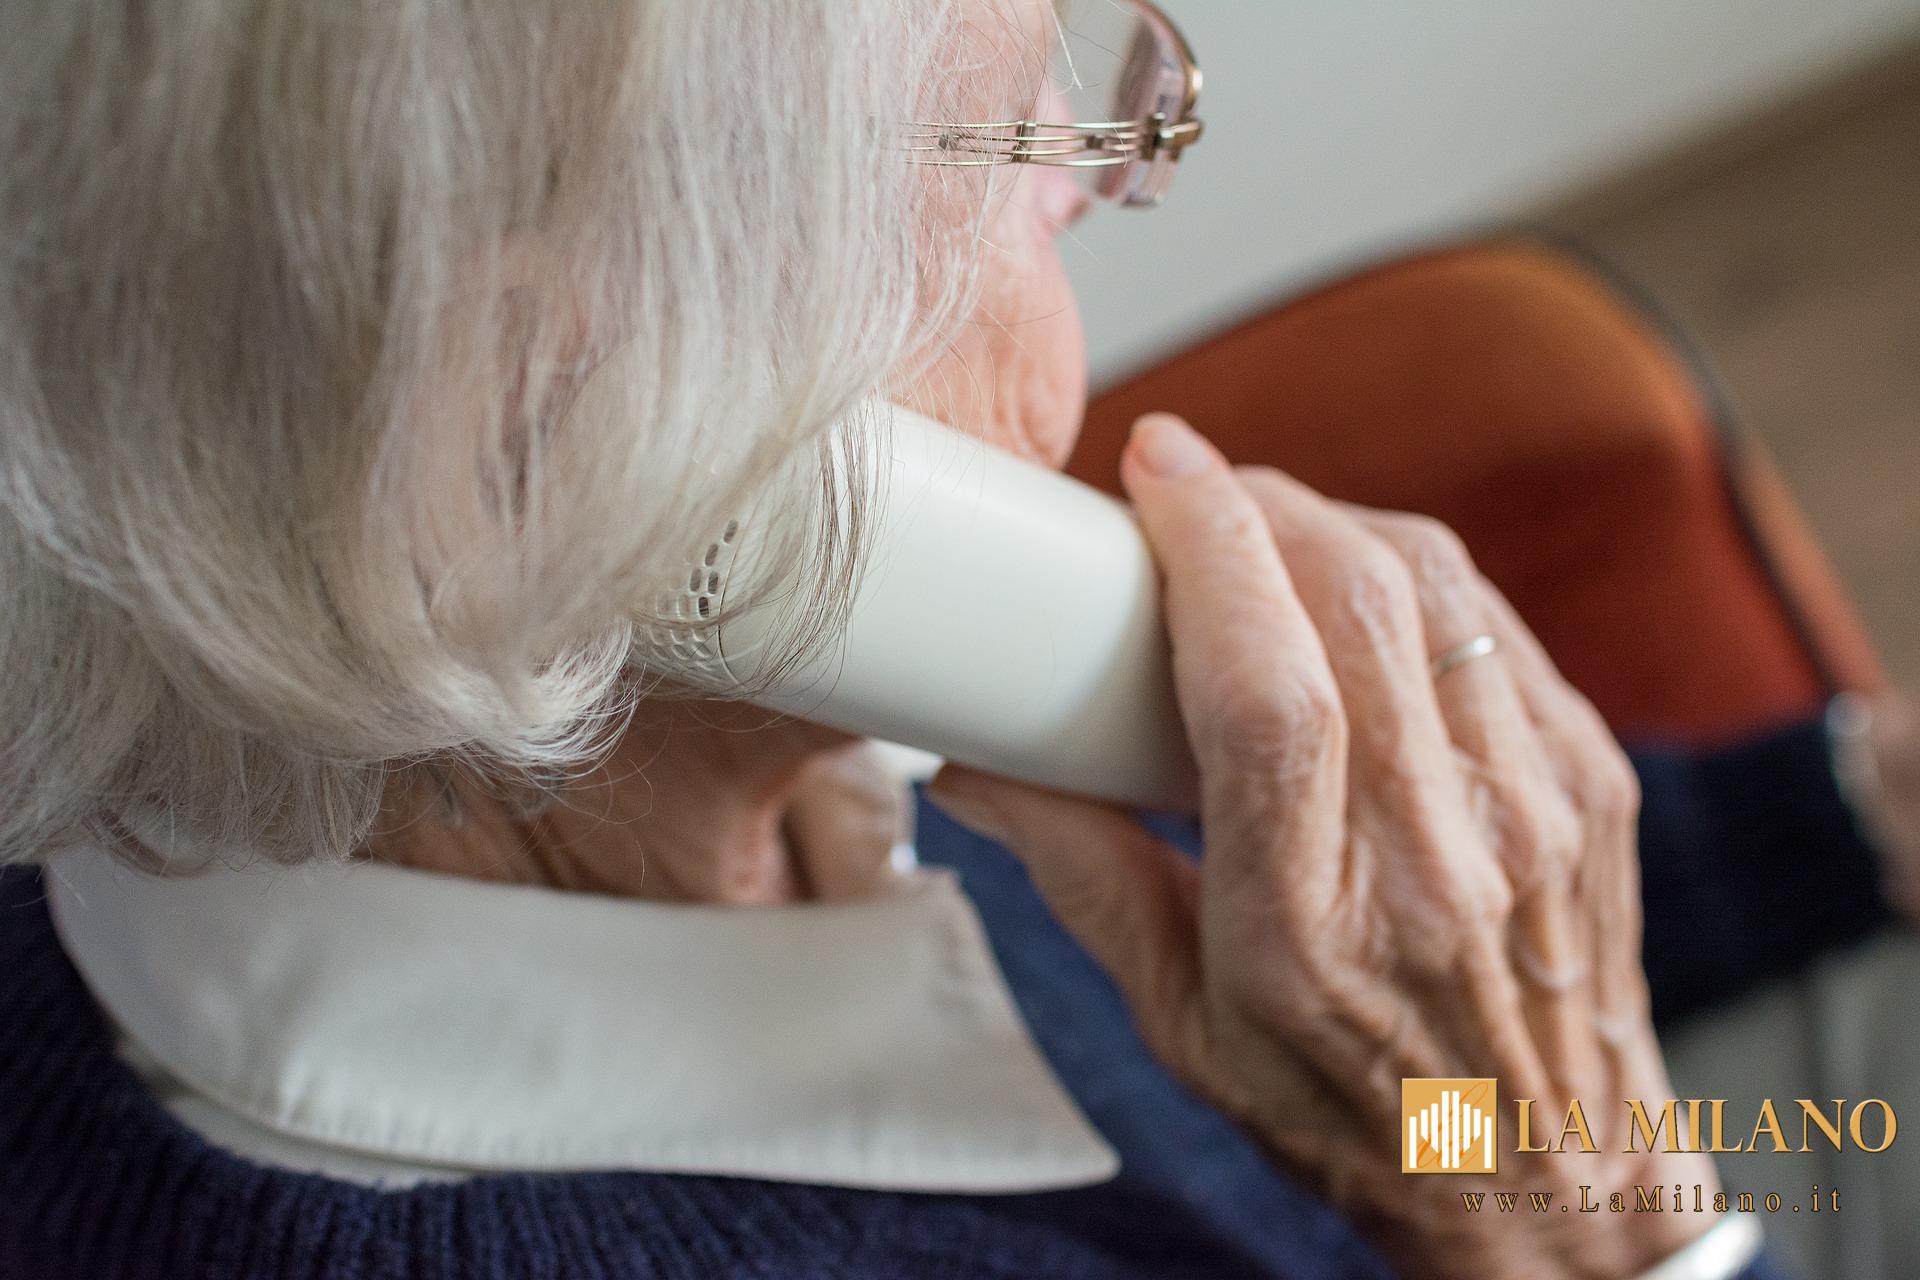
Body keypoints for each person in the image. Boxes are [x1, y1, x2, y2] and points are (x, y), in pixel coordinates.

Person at [2, 2, 1909, 1277]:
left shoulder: (744, 729)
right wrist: (1589, 1217)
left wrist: (1836, 811)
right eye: (1034, 149)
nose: (1108, 180)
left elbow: (1337, 912)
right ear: (550, 446)